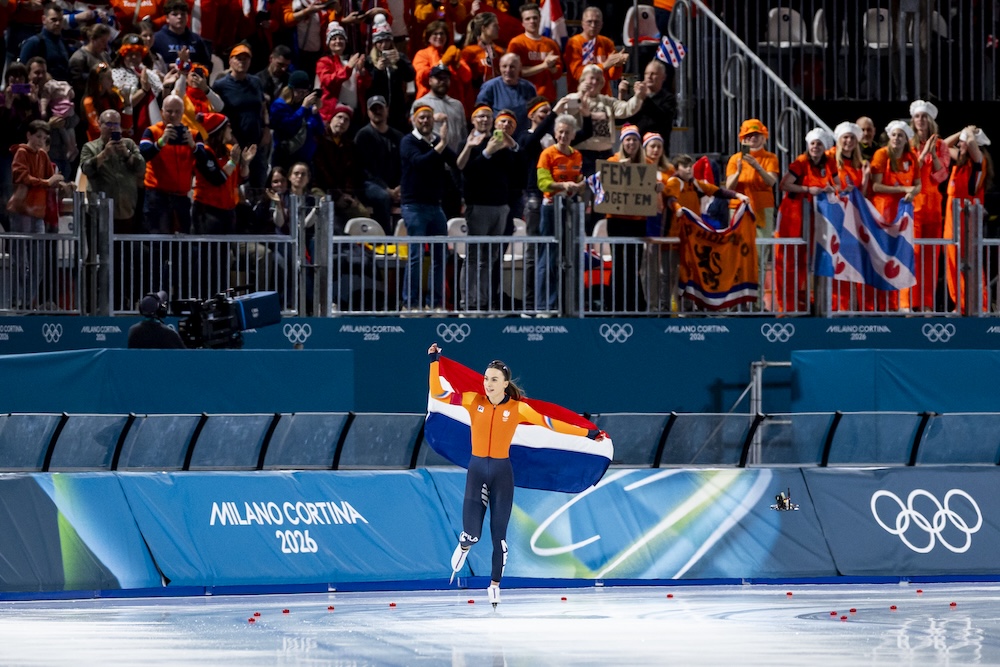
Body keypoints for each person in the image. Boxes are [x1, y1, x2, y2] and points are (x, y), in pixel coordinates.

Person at [427, 343, 605, 607]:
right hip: (477, 470)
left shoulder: (519, 409)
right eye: (486, 378)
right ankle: (465, 543)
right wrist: (434, 361)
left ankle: (495, 585)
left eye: (494, 380)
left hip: (501, 473)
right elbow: (439, 393)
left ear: (505, 383)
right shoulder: (472, 400)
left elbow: (551, 423)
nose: (487, 383)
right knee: (474, 534)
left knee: (499, 536)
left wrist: (586, 434)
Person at [457, 108, 519, 313]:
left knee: (490, 258)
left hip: (500, 207)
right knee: (474, 257)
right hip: (479, 207)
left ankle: (483, 302)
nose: (484, 119)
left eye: (488, 117)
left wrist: (509, 146)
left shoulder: (500, 143)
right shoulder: (469, 143)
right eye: (480, 116)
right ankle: (468, 302)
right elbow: (467, 172)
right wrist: (486, 152)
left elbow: (513, 170)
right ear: (473, 120)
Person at [399, 105, 457, 314]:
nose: (425, 121)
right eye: (421, 117)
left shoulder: (435, 142)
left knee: (440, 255)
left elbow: (456, 162)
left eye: (429, 118)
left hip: (435, 206)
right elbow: (420, 162)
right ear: (414, 120)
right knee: (415, 256)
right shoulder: (408, 142)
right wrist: (441, 144)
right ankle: (411, 303)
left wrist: (448, 129)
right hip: (414, 206)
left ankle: (435, 302)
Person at [775, 128, 839, 313]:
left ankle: (801, 302)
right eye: (812, 143)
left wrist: (835, 188)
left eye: (819, 144)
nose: (815, 147)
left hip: (813, 216)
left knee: (806, 259)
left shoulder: (829, 163)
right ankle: (786, 305)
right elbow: (784, 184)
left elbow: (838, 183)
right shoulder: (801, 162)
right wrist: (808, 189)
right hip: (792, 214)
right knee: (788, 258)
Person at [8, 120, 66, 309]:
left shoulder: (42, 155)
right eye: (38, 136)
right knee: (21, 263)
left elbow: (51, 179)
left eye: (44, 137)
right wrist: (47, 182)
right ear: (29, 135)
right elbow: (21, 176)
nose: (41, 141)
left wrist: (63, 184)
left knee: (38, 265)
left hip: (38, 213)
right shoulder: (21, 152)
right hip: (22, 211)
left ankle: (25, 302)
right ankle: (17, 300)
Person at [870, 120, 921, 312]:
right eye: (894, 135)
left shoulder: (912, 157)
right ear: (888, 136)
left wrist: (912, 193)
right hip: (884, 211)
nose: (897, 138)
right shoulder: (881, 154)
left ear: (906, 138)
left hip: (903, 214)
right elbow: (876, 186)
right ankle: (882, 305)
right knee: (883, 257)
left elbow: (918, 185)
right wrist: (901, 188)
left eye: (901, 135)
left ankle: (900, 304)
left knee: (901, 257)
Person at [535, 113, 584, 313]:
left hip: (571, 207)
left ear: (573, 135)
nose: (563, 136)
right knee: (548, 256)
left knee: (568, 257)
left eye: (567, 133)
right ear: (555, 133)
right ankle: (543, 306)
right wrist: (563, 185)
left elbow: (579, 179)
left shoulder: (577, 155)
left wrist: (579, 185)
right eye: (560, 132)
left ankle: (563, 304)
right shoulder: (547, 154)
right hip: (550, 207)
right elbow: (542, 183)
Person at [906, 100, 951, 312]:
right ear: (913, 121)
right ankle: (907, 303)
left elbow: (942, 175)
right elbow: (909, 173)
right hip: (912, 205)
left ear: (930, 120)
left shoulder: (941, 145)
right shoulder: (907, 143)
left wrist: (933, 155)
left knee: (931, 255)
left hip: (933, 206)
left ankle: (927, 304)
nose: (921, 120)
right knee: (911, 254)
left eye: (924, 116)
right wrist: (923, 156)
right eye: (917, 116)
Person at [943, 126, 993, 313]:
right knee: (953, 263)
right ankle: (961, 305)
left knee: (971, 263)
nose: (960, 144)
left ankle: (981, 305)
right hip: (951, 221)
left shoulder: (979, 162)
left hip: (967, 221)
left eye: (962, 141)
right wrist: (960, 132)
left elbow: (972, 143)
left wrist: (969, 131)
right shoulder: (961, 163)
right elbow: (942, 146)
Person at [564, 64, 647, 175]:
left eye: (598, 79)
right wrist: (581, 94)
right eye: (591, 78)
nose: (595, 82)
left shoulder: (607, 101)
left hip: (606, 153)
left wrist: (638, 97)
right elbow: (567, 108)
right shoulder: (573, 98)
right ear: (583, 80)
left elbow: (626, 109)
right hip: (583, 153)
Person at [213, 44, 269, 188]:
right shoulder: (220, 86)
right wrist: (229, 138)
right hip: (234, 144)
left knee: (258, 184)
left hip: (256, 143)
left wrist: (267, 128)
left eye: (246, 59)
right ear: (230, 61)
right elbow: (216, 114)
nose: (242, 62)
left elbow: (263, 106)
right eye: (238, 58)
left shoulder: (256, 82)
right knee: (236, 185)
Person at [80, 110, 146, 233]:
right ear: (100, 124)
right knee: (99, 249)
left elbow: (141, 168)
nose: (113, 128)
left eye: (116, 125)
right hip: (100, 212)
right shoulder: (89, 147)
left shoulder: (129, 145)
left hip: (127, 211)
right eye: (109, 124)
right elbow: (87, 169)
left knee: (125, 250)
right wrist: (104, 154)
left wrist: (126, 155)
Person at [829, 121, 872, 311]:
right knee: (836, 264)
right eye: (845, 137)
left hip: (853, 222)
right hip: (834, 219)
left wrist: (866, 179)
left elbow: (861, 197)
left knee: (851, 264)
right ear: (839, 140)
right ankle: (836, 305)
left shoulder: (859, 164)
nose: (848, 141)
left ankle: (849, 307)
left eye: (852, 138)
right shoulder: (829, 159)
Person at [139, 94, 197, 234]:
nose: (173, 115)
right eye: (169, 111)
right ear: (162, 112)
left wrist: (193, 146)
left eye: (177, 111)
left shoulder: (192, 134)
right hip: (157, 196)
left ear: (182, 113)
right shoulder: (152, 131)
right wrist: (161, 142)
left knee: (182, 242)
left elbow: (203, 159)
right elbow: (143, 154)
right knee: (158, 241)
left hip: (182, 197)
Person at [192, 112, 254, 234]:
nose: (231, 129)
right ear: (219, 131)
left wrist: (245, 164)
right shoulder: (205, 153)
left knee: (224, 251)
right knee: (209, 251)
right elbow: (217, 179)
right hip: (208, 210)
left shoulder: (229, 150)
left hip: (229, 210)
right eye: (228, 126)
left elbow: (241, 179)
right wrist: (232, 162)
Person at [354, 96, 404, 231]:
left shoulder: (398, 136)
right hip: (369, 184)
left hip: (396, 186)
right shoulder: (363, 135)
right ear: (368, 112)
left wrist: (400, 185)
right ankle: (385, 241)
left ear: (387, 110)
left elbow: (405, 165)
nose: (377, 111)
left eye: (380, 108)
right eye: (373, 109)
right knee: (382, 196)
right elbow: (362, 169)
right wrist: (386, 189)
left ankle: (410, 240)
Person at [506, 3, 563, 103]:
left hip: (548, 98)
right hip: (524, 98)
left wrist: (552, 67)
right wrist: (544, 65)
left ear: (540, 19)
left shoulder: (551, 44)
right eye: (527, 19)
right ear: (522, 23)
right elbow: (516, 72)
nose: (532, 21)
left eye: (535, 18)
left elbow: (558, 74)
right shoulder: (516, 43)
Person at [563, 6, 627, 96]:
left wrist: (618, 65)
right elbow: (577, 74)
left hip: (603, 97)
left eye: (596, 22)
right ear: (582, 23)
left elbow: (613, 76)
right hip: (578, 97)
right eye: (589, 22)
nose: (593, 25)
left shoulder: (607, 42)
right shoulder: (574, 42)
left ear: (601, 24)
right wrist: (604, 66)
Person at [364, 20, 415, 132]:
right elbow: (368, 87)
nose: (384, 45)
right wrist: (378, 70)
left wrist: (399, 61)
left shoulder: (400, 56)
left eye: (387, 40)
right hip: (378, 108)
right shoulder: (369, 61)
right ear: (375, 43)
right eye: (380, 41)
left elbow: (410, 76)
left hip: (398, 110)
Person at [112, 34, 164, 141]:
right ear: (123, 54)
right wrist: (144, 90)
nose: (134, 57)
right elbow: (122, 106)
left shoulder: (151, 74)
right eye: (130, 54)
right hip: (127, 127)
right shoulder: (115, 75)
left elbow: (160, 100)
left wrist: (167, 85)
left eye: (138, 54)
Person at [269, 70, 324, 169]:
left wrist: (315, 112)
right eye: (299, 92)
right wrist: (303, 108)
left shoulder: (307, 107)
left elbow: (319, 130)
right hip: (286, 155)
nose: (302, 95)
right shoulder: (279, 105)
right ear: (290, 89)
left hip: (305, 158)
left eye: (305, 92)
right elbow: (288, 127)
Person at [474, 54, 536, 141]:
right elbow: (480, 113)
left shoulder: (529, 88)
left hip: (522, 137)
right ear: (499, 68)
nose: (508, 70)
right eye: (504, 66)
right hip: (498, 138)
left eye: (512, 67)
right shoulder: (489, 87)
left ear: (519, 67)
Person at [412, 20, 472, 104]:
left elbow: (467, 77)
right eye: (435, 34)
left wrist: (458, 65)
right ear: (428, 37)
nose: (439, 36)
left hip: (452, 103)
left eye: (442, 33)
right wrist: (442, 63)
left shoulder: (452, 53)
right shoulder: (422, 54)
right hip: (428, 103)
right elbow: (421, 77)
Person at [316, 22, 364, 123]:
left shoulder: (351, 60)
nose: (338, 41)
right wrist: (349, 67)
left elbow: (364, 86)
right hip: (332, 113)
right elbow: (328, 81)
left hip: (354, 112)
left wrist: (362, 72)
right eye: (334, 39)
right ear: (328, 43)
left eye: (341, 38)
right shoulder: (323, 62)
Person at [624, 59, 676, 148]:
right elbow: (622, 119)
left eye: (653, 74)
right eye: (646, 74)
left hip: (657, 150)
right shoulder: (637, 97)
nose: (649, 77)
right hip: (637, 150)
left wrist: (645, 98)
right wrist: (622, 96)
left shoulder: (668, 98)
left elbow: (663, 118)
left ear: (663, 77)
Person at [461, 12, 503, 113]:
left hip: (497, 101)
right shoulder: (469, 51)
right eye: (495, 25)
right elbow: (464, 80)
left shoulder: (499, 51)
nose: (499, 28)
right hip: (476, 101)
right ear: (484, 28)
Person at [151, 0, 213, 68]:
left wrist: (192, 68)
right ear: (167, 18)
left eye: (183, 14)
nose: (180, 17)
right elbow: (150, 64)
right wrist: (169, 66)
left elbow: (207, 65)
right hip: (166, 76)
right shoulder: (156, 39)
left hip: (191, 76)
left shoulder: (196, 39)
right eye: (175, 14)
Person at [19, 5, 71, 83]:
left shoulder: (63, 42)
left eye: (60, 20)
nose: (58, 23)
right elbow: (21, 76)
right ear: (44, 19)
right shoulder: (33, 43)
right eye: (53, 20)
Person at [82, 62, 132, 143]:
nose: (112, 81)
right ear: (99, 81)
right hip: (98, 145)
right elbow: (97, 129)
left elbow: (127, 124)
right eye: (109, 78)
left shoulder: (114, 96)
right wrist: (118, 130)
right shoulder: (89, 102)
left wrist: (127, 102)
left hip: (117, 141)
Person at [68, 23, 113, 98]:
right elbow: (78, 85)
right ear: (92, 39)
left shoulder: (105, 55)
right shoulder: (79, 58)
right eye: (102, 41)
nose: (105, 45)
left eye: (107, 42)